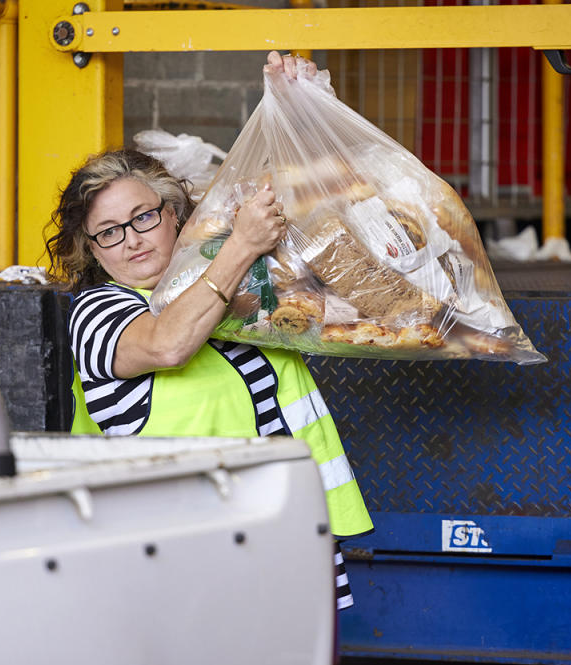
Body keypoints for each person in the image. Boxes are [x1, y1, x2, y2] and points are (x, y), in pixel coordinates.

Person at [44, 52, 373, 610]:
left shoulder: (243, 288)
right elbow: (168, 343)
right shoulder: (98, 313)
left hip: (287, 537)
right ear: (89, 249)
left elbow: (333, 225)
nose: (131, 240)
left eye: (143, 217)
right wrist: (241, 248)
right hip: (177, 563)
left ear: (176, 214)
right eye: (108, 232)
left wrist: (300, 109)